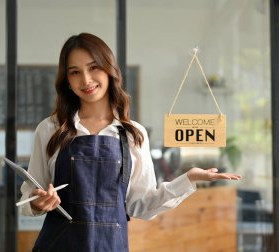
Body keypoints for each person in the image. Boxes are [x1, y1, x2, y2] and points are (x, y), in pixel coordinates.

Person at [19, 32, 241, 252]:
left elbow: (140, 205)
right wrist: (37, 202)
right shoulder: (50, 129)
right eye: (75, 72)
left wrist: (188, 179)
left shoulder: (133, 134)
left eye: (93, 67)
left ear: (109, 69)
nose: (86, 80)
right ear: (67, 81)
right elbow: (31, 191)